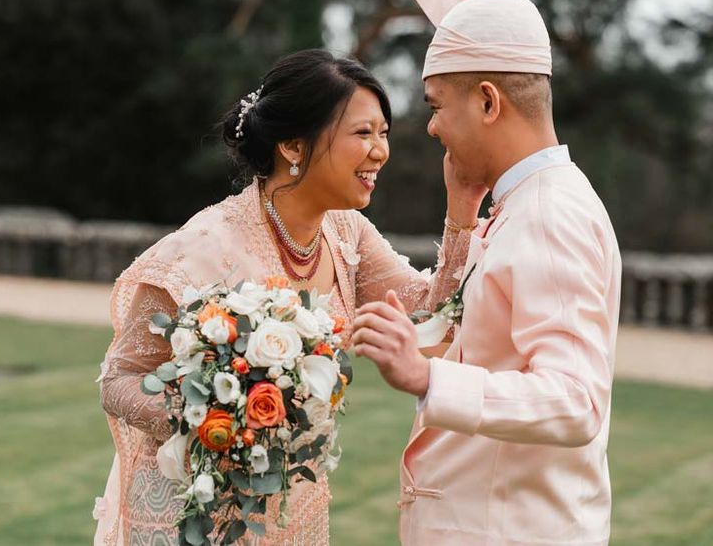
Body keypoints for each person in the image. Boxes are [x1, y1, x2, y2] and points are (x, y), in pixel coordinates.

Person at [93, 48, 476, 545]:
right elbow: (120, 377)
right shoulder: (203, 249)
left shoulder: (347, 233)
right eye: (362, 133)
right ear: (293, 146)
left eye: (384, 133)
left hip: (289, 510)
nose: (380, 150)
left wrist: (463, 207)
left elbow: (430, 316)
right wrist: (214, 419)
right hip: (190, 515)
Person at [352, 0, 622, 546]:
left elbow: (575, 401)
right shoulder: (524, 202)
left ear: (487, 101)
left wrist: (426, 378)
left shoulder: (550, 214)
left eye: (436, 105)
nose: (430, 127)